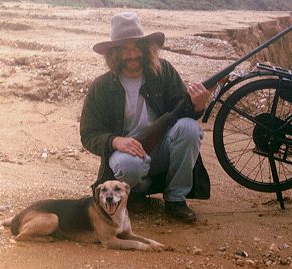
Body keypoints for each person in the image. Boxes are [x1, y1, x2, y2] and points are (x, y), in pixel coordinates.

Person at [80, 12, 211, 223]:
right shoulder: (102, 87)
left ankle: (176, 199)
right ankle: (136, 194)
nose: (132, 54)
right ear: (114, 53)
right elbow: (88, 134)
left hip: (162, 150)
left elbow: (182, 112)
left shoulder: (164, 71)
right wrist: (116, 141)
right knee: (127, 166)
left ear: (145, 48)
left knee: (189, 128)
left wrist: (199, 105)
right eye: (124, 49)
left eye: (136, 47)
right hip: (126, 156)